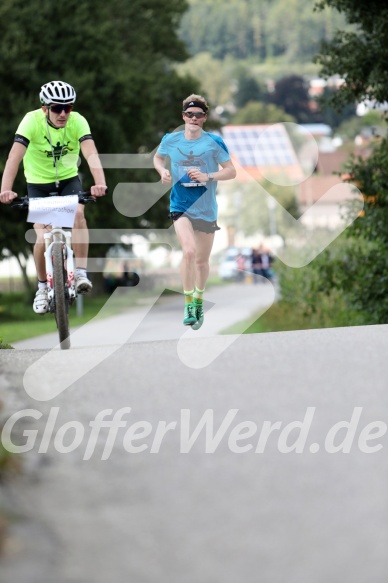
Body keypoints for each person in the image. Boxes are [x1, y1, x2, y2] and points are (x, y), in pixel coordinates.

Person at [0, 80, 107, 314]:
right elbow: (14, 158)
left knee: (79, 213)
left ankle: (80, 273)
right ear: (44, 108)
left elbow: (91, 154)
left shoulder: (78, 121)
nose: (63, 114)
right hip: (38, 183)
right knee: (42, 233)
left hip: (68, 179)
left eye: (67, 108)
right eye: (57, 108)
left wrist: (100, 183)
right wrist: (5, 189)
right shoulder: (30, 121)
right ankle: (41, 287)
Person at [153, 94, 236, 329]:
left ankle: (199, 299)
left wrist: (208, 175)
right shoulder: (170, 140)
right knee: (188, 252)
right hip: (180, 206)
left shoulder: (213, 143)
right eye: (189, 114)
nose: (193, 118)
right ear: (183, 116)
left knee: (201, 261)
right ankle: (189, 303)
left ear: (204, 118)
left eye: (198, 115)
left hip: (206, 209)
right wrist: (162, 171)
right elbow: (158, 159)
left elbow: (231, 171)